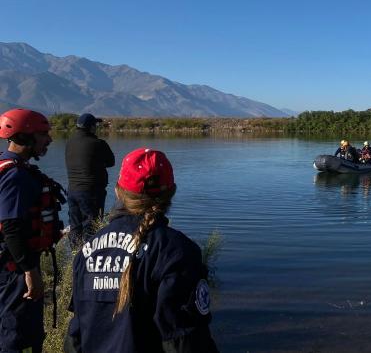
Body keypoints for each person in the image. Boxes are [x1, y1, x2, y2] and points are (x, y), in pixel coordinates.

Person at [66, 147, 219, 353]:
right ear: (171, 192)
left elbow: (75, 337)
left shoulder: (87, 251)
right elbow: (182, 341)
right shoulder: (177, 251)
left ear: (118, 191)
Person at [0, 108, 64, 353]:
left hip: (11, 265)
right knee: (14, 336)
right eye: (43, 134)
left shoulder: (8, 166)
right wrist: (29, 271)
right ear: (24, 136)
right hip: (13, 271)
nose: (49, 139)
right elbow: (11, 227)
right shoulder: (16, 176)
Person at [65, 113, 115, 246]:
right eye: (95, 125)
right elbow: (111, 162)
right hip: (91, 192)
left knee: (75, 226)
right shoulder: (98, 143)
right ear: (91, 127)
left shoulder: (70, 143)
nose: (97, 128)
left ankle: (76, 258)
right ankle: (90, 258)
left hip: (72, 191)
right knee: (92, 226)